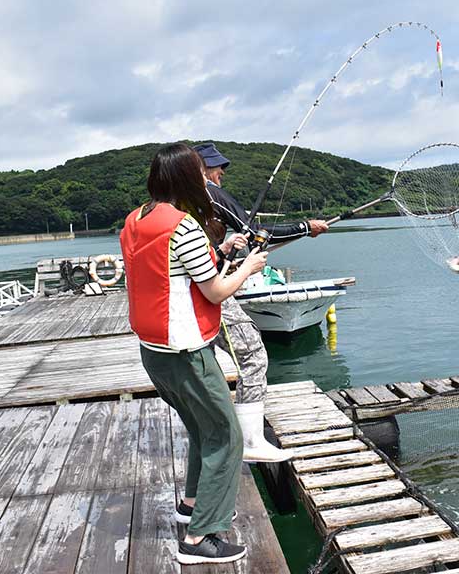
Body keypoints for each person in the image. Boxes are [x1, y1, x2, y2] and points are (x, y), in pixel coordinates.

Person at [119, 143, 267, 565]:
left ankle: (191, 505)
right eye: (199, 172)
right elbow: (216, 290)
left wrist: (221, 253)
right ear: (187, 178)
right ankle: (200, 539)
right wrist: (247, 267)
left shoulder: (135, 220)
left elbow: (171, 271)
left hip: (154, 353)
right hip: (187, 353)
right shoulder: (184, 226)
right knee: (227, 436)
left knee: (202, 431)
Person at [193, 142, 328, 463]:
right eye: (215, 166)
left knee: (206, 362)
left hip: (192, 288)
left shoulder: (177, 202)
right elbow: (255, 233)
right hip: (209, 292)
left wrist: (224, 251)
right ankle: (250, 441)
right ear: (199, 170)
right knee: (253, 355)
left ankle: (213, 430)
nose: (221, 171)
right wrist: (305, 227)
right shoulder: (210, 194)